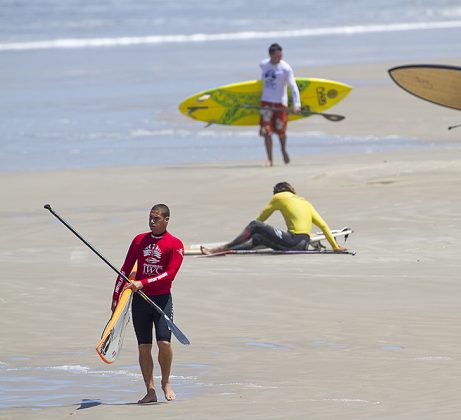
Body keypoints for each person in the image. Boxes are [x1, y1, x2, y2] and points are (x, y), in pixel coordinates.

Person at [111, 204, 184, 404]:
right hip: (140, 301)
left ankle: (166, 382)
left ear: (167, 220)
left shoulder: (175, 244)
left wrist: (142, 282)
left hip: (161, 300)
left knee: (164, 343)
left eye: (157, 219)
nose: (152, 222)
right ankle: (150, 390)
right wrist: (116, 297)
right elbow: (125, 269)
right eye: (150, 218)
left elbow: (170, 275)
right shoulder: (139, 240)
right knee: (144, 347)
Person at [201, 182, 345, 255]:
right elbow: (324, 226)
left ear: (277, 191)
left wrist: (252, 229)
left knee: (254, 225)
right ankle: (232, 250)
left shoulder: (279, 197)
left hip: (292, 241)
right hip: (303, 243)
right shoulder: (305, 202)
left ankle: (223, 248)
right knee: (258, 238)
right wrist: (335, 247)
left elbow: (260, 220)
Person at [259, 43, 301, 167]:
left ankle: (283, 150)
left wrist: (297, 104)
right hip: (266, 102)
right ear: (270, 55)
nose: (280, 58)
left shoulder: (285, 68)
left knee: (281, 132)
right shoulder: (263, 65)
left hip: (280, 103)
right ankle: (270, 159)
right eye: (277, 56)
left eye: (281, 55)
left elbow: (293, 86)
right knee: (266, 131)